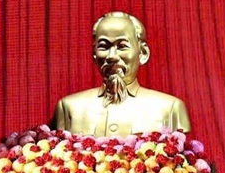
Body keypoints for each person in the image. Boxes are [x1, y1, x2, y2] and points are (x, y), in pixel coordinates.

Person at [52, 12, 191, 137]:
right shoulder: (69, 107)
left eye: (122, 46)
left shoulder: (170, 108)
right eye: (104, 47)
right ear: (94, 54)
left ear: (143, 53)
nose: (112, 56)